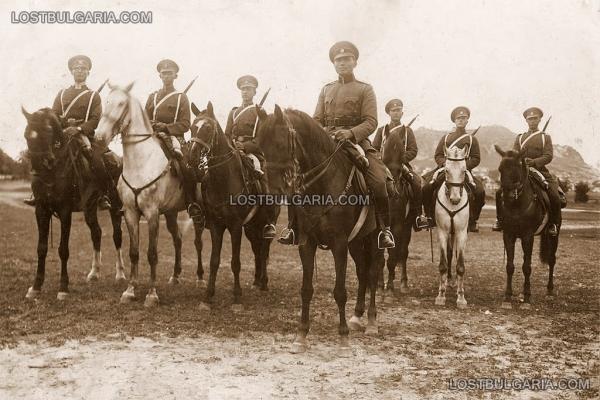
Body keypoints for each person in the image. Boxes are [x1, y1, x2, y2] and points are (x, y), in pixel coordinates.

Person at [279, 41, 395, 248]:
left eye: (346, 59)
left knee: (379, 181)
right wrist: (323, 135)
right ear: (334, 64)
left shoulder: (365, 89)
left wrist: (350, 133)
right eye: (338, 60)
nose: (342, 63)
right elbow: (316, 120)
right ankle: (293, 228)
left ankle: (384, 230)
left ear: (355, 62)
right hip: (327, 143)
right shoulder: (327, 89)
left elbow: (371, 121)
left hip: (356, 143)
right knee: (297, 181)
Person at [24, 54, 118, 211]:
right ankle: (36, 193)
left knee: (97, 160)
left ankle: (103, 195)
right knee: (43, 155)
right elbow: (53, 115)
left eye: (83, 69)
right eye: (76, 68)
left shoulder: (93, 96)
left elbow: (95, 119)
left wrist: (79, 128)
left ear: (88, 72)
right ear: (72, 72)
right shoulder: (61, 94)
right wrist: (64, 123)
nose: (80, 71)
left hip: (83, 135)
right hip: (62, 134)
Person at [144, 59, 202, 222]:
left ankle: (191, 203)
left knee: (185, 166)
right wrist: (152, 125)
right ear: (159, 75)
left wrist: (167, 128)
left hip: (173, 138)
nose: (166, 75)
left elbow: (185, 124)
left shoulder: (181, 98)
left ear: (175, 75)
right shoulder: (152, 97)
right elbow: (144, 119)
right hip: (152, 136)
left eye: (170, 73)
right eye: (164, 73)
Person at [492, 107, 560, 236]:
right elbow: (513, 155)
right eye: (530, 119)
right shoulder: (520, 137)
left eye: (535, 118)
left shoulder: (545, 138)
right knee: (500, 192)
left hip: (540, 171)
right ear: (526, 121)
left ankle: (552, 224)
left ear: (540, 119)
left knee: (554, 195)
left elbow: (548, 156)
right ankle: (500, 220)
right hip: (522, 172)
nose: (532, 121)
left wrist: (534, 162)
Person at [224, 75, 277, 239]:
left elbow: (262, 138)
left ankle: (268, 220)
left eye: (249, 89)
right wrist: (231, 146)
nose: (245, 92)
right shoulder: (233, 112)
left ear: (255, 91)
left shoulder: (260, 112)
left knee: (259, 173)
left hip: (251, 152)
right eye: (243, 89)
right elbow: (226, 134)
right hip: (233, 151)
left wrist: (245, 147)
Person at [421, 106, 486, 232]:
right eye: (458, 118)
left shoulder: (472, 139)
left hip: (464, 171)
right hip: (446, 170)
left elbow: (476, 158)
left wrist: (462, 166)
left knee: (480, 192)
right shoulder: (446, 138)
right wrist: (446, 164)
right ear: (454, 121)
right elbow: (438, 155)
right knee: (427, 188)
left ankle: (473, 220)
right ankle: (429, 217)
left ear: (467, 120)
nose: (461, 120)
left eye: (464, 118)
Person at [372, 98, 429, 231]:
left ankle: (418, 216)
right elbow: (374, 148)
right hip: (383, 165)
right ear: (389, 113)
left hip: (401, 165)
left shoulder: (408, 131)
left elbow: (413, 150)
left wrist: (401, 159)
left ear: (402, 113)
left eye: (398, 110)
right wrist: (381, 159)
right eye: (393, 111)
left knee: (416, 183)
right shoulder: (382, 130)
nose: (396, 113)